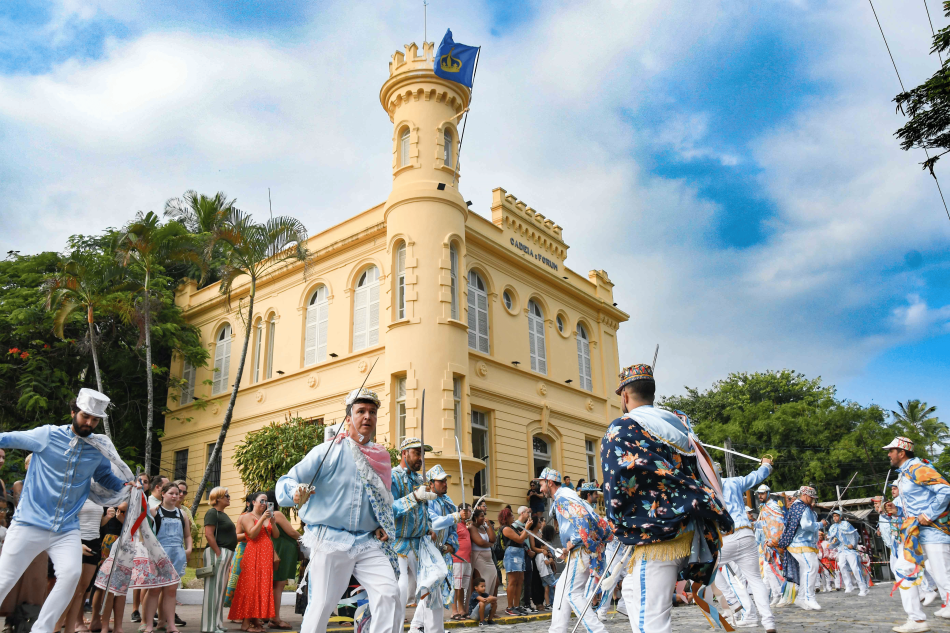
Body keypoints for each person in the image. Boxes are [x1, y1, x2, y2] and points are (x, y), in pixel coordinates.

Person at [601, 364, 734, 633]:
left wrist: (620, 525)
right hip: (688, 529)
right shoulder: (679, 427)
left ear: (625, 396)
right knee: (632, 591)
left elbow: (616, 481)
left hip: (656, 535)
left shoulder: (624, 427)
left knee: (650, 620)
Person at [0, 389, 133, 633]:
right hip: (29, 523)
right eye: (85, 416)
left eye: (95, 420)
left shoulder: (97, 448)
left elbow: (105, 477)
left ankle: (41, 630)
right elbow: (6, 439)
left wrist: (126, 486)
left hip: (67, 528)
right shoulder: (47, 435)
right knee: (4, 579)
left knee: (71, 576)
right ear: (73, 413)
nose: (89, 423)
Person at [276, 388, 400, 633]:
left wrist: (381, 524)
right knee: (322, 604)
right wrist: (295, 492)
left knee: (389, 593)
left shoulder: (381, 457)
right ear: (348, 418)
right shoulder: (328, 451)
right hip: (329, 539)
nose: (367, 416)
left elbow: (382, 500)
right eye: (361, 411)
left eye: (372, 412)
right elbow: (286, 482)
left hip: (366, 542)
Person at [876, 436, 950, 633]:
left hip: (933, 531)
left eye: (891, 451)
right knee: (903, 569)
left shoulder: (918, 468)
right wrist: (897, 510)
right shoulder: (904, 474)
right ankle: (916, 620)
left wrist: (929, 514)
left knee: (943, 575)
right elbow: (914, 506)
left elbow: (945, 490)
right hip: (915, 532)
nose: (889, 455)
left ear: (902, 452)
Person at [537, 467, 612, 633]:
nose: (540, 489)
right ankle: (557, 630)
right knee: (562, 588)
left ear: (550, 483)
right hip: (581, 549)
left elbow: (583, 517)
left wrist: (576, 540)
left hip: (581, 550)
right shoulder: (567, 495)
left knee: (572, 593)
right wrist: (568, 546)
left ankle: (599, 631)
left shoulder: (562, 497)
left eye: (541, 484)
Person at [715, 457, 776, 632]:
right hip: (746, 534)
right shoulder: (734, 482)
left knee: (704, 567)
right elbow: (757, 476)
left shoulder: (704, 489)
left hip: (725, 538)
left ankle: (733, 601)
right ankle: (769, 622)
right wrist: (766, 464)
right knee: (755, 580)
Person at [389, 437, 442, 629]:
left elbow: (424, 509)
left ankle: (421, 627)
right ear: (404, 453)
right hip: (398, 543)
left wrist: (428, 527)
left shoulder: (420, 480)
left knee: (432, 585)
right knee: (401, 588)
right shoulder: (392, 477)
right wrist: (413, 497)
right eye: (417, 453)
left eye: (423, 454)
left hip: (420, 543)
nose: (421, 458)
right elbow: (389, 509)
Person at [414, 465, 469, 632]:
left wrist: (451, 545)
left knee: (433, 589)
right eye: (441, 481)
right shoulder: (426, 500)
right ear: (431, 484)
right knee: (431, 589)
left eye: (445, 480)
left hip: (441, 553)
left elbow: (453, 530)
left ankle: (417, 626)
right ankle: (431, 628)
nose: (445, 484)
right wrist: (456, 516)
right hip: (426, 550)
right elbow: (434, 522)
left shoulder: (448, 502)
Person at [144, 482, 192, 633]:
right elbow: (145, 534)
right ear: (163, 494)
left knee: (171, 591)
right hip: (159, 554)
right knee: (154, 590)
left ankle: (170, 625)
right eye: (171, 493)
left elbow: (187, 535)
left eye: (177, 494)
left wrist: (189, 549)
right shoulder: (154, 512)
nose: (175, 496)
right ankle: (149, 625)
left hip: (177, 554)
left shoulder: (182, 514)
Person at [227, 492, 275, 632]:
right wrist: (262, 519)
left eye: (266, 501)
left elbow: (274, 535)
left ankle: (255, 620)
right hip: (253, 554)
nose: (264, 503)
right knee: (250, 587)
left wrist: (272, 522)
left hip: (265, 556)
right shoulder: (247, 517)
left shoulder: (266, 517)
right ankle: (246, 623)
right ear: (253, 502)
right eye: (261, 500)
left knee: (261, 587)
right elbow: (252, 534)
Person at [775, 486, 824, 611]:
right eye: (811, 497)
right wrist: (820, 524)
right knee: (811, 567)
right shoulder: (801, 508)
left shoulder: (802, 507)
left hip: (805, 543)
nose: (813, 500)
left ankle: (802, 597)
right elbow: (806, 525)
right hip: (800, 543)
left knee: (806, 569)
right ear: (805, 495)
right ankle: (809, 597)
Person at [63, 498, 107, 633]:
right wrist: (76, 542)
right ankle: (69, 622)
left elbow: (98, 522)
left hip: (94, 541)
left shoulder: (98, 497)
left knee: (84, 587)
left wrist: (107, 517)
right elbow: (67, 519)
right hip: (78, 540)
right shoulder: (77, 494)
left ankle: (77, 621)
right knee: (74, 587)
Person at [201, 487, 237, 633]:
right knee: (213, 591)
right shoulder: (212, 512)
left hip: (225, 552)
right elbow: (208, 534)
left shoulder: (223, 514)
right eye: (226, 495)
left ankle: (217, 623)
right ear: (218, 498)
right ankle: (209, 626)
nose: (229, 497)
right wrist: (218, 552)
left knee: (220, 590)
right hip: (217, 552)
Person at [90, 502, 127, 633]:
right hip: (112, 540)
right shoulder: (115, 498)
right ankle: (98, 622)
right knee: (104, 585)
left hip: (126, 540)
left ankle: (112, 625)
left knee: (119, 587)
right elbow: (123, 506)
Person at [267, 490, 299, 630]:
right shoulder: (277, 514)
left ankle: (270, 615)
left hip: (274, 549)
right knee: (279, 585)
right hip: (282, 551)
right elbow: (291, 532)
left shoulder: (266, 515)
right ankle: (275, 618)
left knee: (274, 584)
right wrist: (306, 540)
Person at [498, 506, 532, 615]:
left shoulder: (512, 527)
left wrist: (526, 529)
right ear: (506, 517)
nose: (513, 517)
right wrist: (526, 528)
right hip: (512, 554)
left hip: (519, 553)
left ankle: (517, 606)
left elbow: (523, 537)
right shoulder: (506, 529)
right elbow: (520, 539)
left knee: (520, 580)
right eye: (511, 516)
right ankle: (509, 606)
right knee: (512, 581)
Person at [828, 510, 868, 596]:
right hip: (841, 549)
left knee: (855, 568)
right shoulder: (832, 527)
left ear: (841, 517)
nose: (835, 518)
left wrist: (853, 544)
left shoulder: (846, 524)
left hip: (850, 550)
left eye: (837, 516)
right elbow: (833, 540)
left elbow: (855, 535)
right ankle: (848, 585)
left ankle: (863, 588)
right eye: (834, 516)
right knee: (841, 566)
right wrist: (833, 542)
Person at [468, 508, 498, 620]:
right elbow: (480, 542)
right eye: (481, 516)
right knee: (481, 583)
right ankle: (479, 608)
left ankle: (490, 607)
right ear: (475, 517)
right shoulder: (472, 527)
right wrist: (490, 544)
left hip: (489, 559)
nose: (483, 518)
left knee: (495, 581)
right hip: (479, 557)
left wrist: (489, 525)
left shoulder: (484, 527)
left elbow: (493, 538)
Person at [451, 506, 472, 620]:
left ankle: (461, 609)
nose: (469, 513)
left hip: (466, 559)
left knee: (462, 586)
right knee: (456, 586)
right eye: (467, 510)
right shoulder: (455, 524)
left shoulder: (465, 525)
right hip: (457, 558)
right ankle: (454, 611)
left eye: (470, 511)